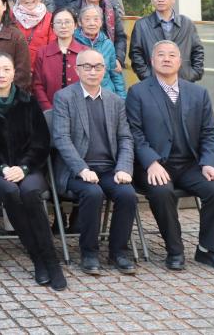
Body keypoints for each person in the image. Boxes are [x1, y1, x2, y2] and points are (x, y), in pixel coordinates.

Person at [126, 41, 214, 273]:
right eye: (161, 55)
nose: (166, 59)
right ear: (152, 61)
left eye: (172, 55)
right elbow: (134, 133)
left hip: (189, 165)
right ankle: (175, 251)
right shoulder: (137, 92)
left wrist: (208, 163)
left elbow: (209, 132)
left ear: (180, 61)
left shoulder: (198, 93)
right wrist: (151, 162)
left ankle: (207, 250)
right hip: (153, 166)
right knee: (162, 191)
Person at [0, 52, 67, 291]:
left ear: (14, 72)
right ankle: (37, 258)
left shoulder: (28, 102)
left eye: (6, 69)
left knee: (31, 193)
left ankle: (52, 262)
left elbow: (41, 143)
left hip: (29, 169)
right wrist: (3, 168)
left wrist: (23, 167)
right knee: (10, 192)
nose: (1, 74)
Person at [50, 49, 138, 276]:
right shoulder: (64, 97)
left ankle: (118, 252)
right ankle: (89, 253)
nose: (92, 71)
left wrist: (124, 168)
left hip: (108, 169)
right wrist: (82, 168)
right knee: (93, 193)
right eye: (86, 66)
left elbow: (125, 138)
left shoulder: (115, 101)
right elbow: (61, 138)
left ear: (104, 70)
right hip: (74, 171)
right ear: (77, 69)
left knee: (127, 194)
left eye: (98, 66)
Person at [129, 0, 204, 82]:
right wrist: (147, 76)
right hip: (153, 82)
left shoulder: (186, 23)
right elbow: (135, 54)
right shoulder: (141, 25)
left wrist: (193, 74)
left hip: (184, 81)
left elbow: (198, 51)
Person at [32, 8, 88, 112]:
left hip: (81, 110)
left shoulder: (86, 52)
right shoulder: (42, 52)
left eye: (67, 22)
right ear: (52, 27)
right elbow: (37, 85)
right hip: (50, 111)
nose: (63, 26)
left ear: (75, 25)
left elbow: (91, 82)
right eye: (58, 22)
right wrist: (48, 109)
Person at [74, 0, 127, 71]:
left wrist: (118, 59)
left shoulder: (111, 9)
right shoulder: (73, 9)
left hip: (108, 56)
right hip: (79, 58)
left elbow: (120, 37)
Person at [74, 5, 126, 98]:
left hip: (106, 94)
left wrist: (122, 99)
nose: (92, 23)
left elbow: (116, 75)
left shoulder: (107, 43)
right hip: (79, 94)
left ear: (101, 22)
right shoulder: (72, 42)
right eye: (87, 19)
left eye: (96, 19)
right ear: (80, 22)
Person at [10, 0, 56, 70]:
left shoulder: (49, 18)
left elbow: (53, 48)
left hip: (40, 69)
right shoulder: (9, 17)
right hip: (13, 69)